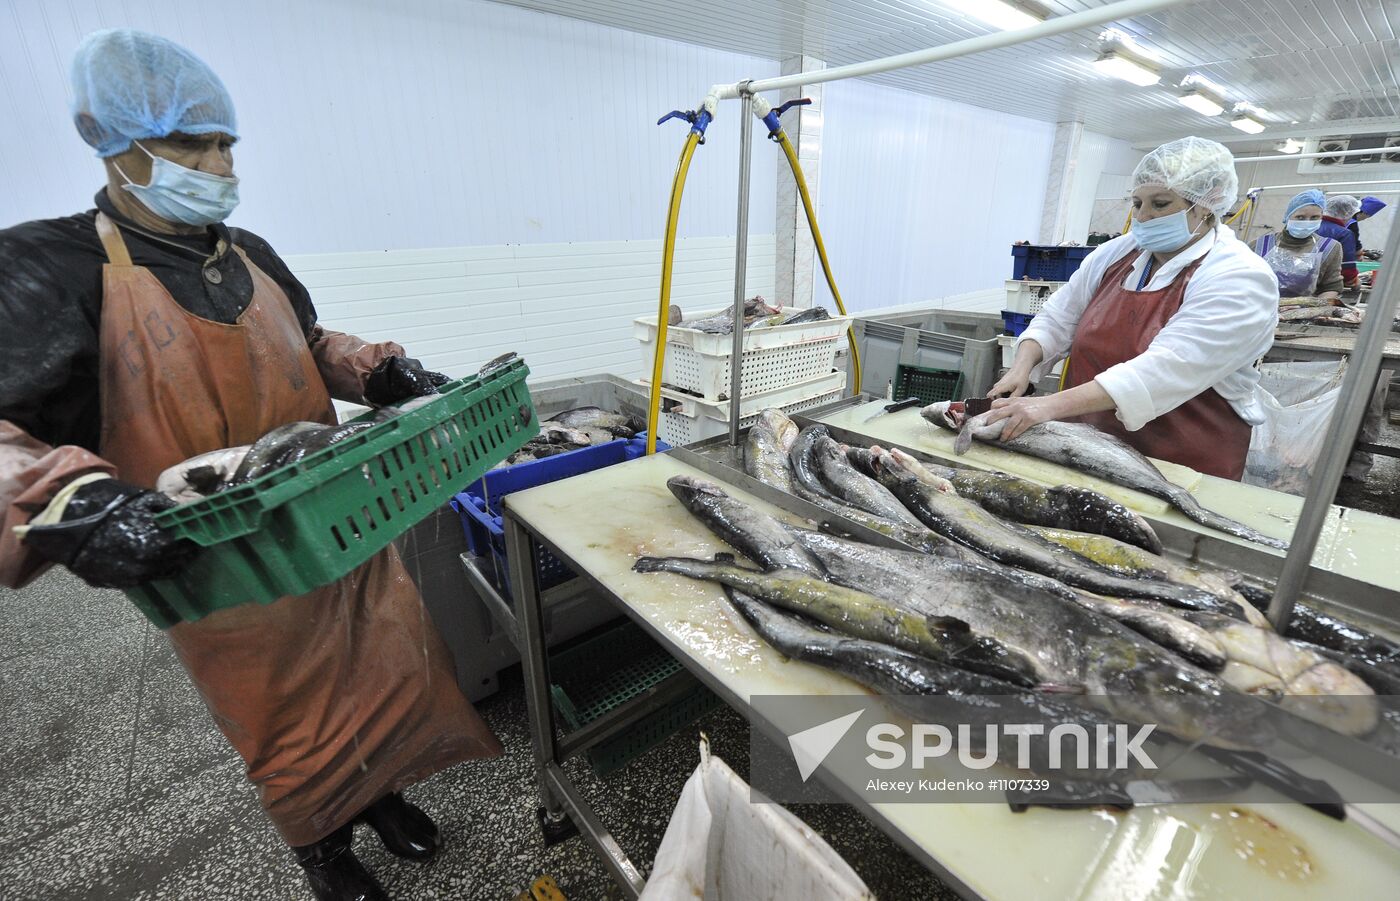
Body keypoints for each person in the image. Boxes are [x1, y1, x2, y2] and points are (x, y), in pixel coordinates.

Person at [0, 30, 501, 901]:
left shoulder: (250, 252)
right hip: (220, 563)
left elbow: (304, 342)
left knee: (382, 666)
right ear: (114, 144)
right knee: (281, 719)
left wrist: (375, 369)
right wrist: (78, 507)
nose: (221, 161)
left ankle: (381, 796)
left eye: (225, 141)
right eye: (193, 142)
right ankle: (324, 847)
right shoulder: (48, 266)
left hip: (334, 528)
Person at [986, 136, 1278, 481]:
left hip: (1184, 457)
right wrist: (1021, 368)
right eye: (1137, 203)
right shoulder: (1118, 253)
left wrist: (1047, 406)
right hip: (1088, 442)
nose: (1143, 217)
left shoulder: (1240, 277)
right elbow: (1058, 317)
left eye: (1160, 203)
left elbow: (1166, 370)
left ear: (1206, 205)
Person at [1252, 189, 1342, 302]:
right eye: (1300, 217)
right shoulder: (1259, 245)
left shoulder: (1329, 248)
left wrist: (1311, 309)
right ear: (1288, 216)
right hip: (1258, 309)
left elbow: (1331, 287)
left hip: (1300, 314)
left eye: (1314, 217)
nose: (1307, 222)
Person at [1318, 194, 1362, 288]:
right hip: (1326, 285)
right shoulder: (1344, 233)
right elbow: (1347, 269)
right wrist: (1354, 281)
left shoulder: (1312, 227)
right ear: (1346, 213)